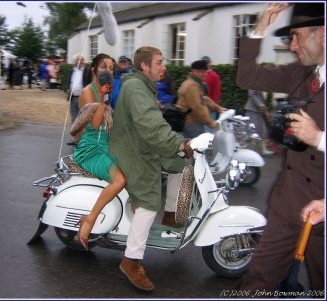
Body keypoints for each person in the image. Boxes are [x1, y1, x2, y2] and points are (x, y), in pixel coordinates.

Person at [236, 2, 324, 293]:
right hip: (287, 205)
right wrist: (260, 28)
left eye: (297, 36)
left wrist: (320, 138)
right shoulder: (301, 72)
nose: (292, 45)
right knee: (256, 282)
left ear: (322, 34)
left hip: (323, 210)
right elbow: (246, 78)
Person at [109, 46, 193, 291]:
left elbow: (153, 122)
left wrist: (178, 143)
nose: (162, 67)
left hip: (142, 144)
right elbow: (150, 124)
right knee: (148, 200)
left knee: (181, 163)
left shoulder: (142, 86)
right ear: (144, 66)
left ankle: (171, 215)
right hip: (131, 150)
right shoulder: (136, 87)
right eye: (158, 63)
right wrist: (177, 142)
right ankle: (131, 261)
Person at [73, 53, 126, 251]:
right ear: (94, 69)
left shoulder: (107, 91)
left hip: (107, 145)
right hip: (91, 148)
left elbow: (110, 122)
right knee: (120, 180)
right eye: (104, 67)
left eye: (111, 68)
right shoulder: (88, 92)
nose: (108, 71)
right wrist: (104, 99)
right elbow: (95, 125)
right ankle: (89, 220)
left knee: (137, 169)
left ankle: (117, 225)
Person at [176, 60, 226, 139]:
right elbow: (198, 108)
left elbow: (204, 99)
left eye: (205, 72)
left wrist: (218, 108)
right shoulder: (192, 86)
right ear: (194, 71)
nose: (204, 74)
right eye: (201, 72)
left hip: (194, 120)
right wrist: (211, 123)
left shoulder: (195, 83)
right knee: (203, 144)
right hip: (190, 122)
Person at [244, 90, 274, 156]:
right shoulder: (256, 83)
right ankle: (250, 151)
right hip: (252, 110)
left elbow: (262, 102)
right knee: (252, 132)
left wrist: (265, 111)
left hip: (259, 111)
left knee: (262, 131)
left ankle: (262, 150)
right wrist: (259, 104)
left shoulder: (263, 86)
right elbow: (251, 93)